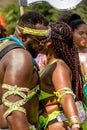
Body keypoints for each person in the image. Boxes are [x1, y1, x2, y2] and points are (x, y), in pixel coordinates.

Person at [0, 11, 50, 130]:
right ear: (24, 37)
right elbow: (13, 109)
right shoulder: (20, 57)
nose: (43, 46)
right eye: (40, 41)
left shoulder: (4, 45)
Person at [38, 22, 84, 130]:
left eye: (40, 37)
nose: (37, 41)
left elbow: (66, 95)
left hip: (57, 125)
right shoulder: (50, 66)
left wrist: (75, 125)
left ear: (49, 42)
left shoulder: (58, 67)